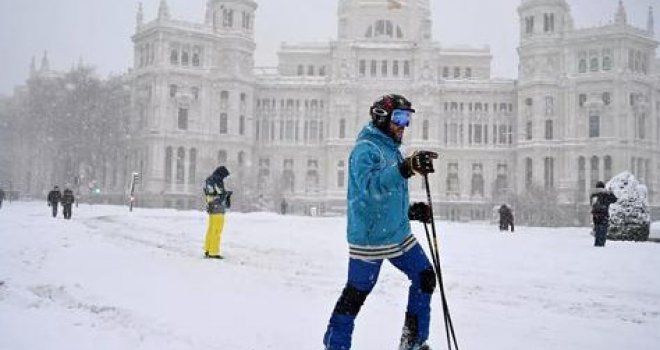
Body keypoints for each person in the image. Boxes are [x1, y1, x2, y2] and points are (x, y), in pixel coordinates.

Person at [323, 94, 438, 350]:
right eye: (398, 117)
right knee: (355, 294)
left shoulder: (390, 149)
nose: (403, 124)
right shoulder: (365, 149)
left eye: (407, 118)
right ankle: (335, 346)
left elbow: (388, 195)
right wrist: (406, 168)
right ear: (381, 117)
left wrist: (410, 211)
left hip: (397, 233)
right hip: (370, 238)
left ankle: (413, 343)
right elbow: (369, 189)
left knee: (425, 277)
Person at [203, 166, 232, 259]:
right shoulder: (217, 180)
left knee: (211, 229)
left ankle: (207, 249)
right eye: (224, 176)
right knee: (217, 230)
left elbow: (208, 192)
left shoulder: (208, 180)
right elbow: (220, 192)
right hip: (218, 207)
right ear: (221, 173)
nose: (224, 178)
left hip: (211, 206)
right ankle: (214, 252)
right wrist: (227, 194)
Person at [590, 180, 617, 247]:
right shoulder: (606, 194)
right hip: (604, 215)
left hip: (596, 216)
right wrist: (610, 192)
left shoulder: (593, 195)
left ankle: (597, 244)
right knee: (603, 230)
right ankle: (601, 245)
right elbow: (614, 200)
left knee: (597, 230)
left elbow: (592, 204)